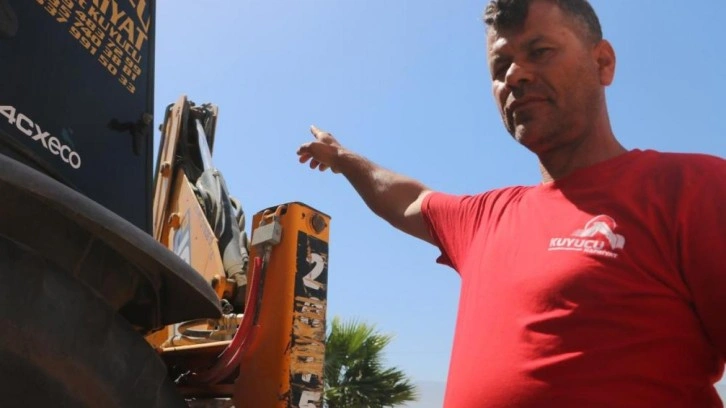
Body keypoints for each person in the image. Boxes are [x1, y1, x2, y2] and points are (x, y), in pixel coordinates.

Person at [297, 0, 726, 406]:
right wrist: (344, 159)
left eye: (540, 52)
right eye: (500, 66)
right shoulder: (484, 219)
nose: (515, 75)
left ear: (603, 63)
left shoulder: (695, 188)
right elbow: (407, 199)